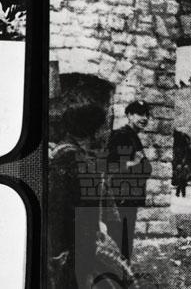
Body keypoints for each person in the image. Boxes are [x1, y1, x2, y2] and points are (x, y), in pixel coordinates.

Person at [49, 94, 106, 288]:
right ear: (90, 129)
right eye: (99, 127)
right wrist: (59, 247)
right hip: (73, 242)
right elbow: (58, 205)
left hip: (80, 237)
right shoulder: (70, 157)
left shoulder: (71, 153)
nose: (102, 133)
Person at [104, 100, 153, 263]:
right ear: (129, 115)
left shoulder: (133, 136)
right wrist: (136, 164)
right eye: (140, 114)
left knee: (125, 243)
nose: (144, 118)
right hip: (120, 198)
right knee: (119, 242)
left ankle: (122, 274)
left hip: (129, 197)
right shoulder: (121, 135)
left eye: (146, 115)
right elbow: (109, 166)